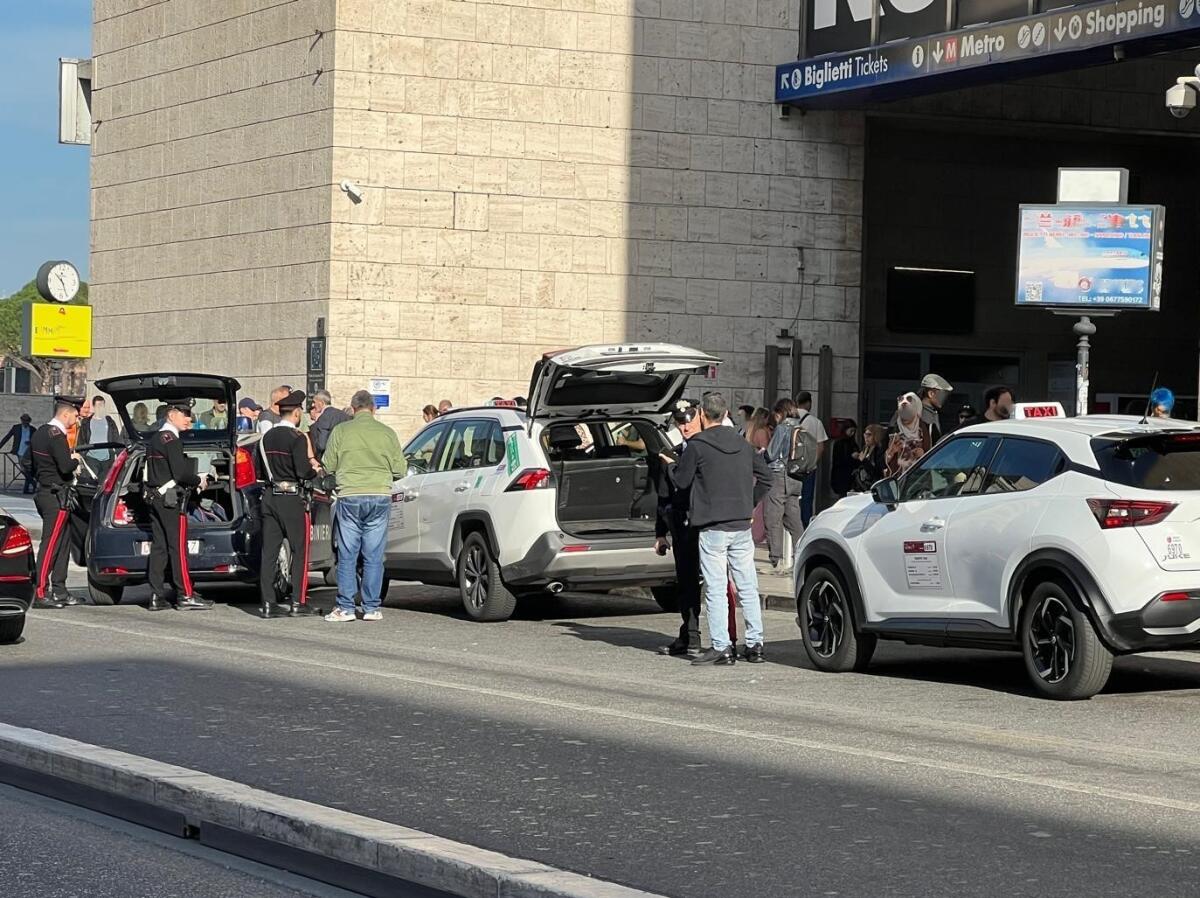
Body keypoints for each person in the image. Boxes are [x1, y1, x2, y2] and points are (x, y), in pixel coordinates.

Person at [665, 392, 772, 665]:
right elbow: (767, 477)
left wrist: (670, 465)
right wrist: (749, 503)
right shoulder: (742, 444)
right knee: (747, 585)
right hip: (741, 524)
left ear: (702, 414)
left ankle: (722, 646)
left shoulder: (698, 446)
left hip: (713, 526)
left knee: (715, 587)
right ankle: (755, 645)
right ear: (725, 414)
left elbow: (682, 481)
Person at [321, 390, 407, 622]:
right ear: (373, 408)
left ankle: (346, 607)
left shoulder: (341, 431)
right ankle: (371, 607)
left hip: (350, 495)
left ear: (352, 408)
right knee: (374, 555)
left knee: (348, 554)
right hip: (379, 495)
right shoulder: (387, 433)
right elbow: (400, 469)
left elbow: (328, 465)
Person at [144, 399, 213, 611]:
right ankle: (185, 594)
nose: (188, 419)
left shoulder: (155, 438)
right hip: (170, 500)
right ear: (171, 415)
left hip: (155, 497)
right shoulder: (172, 440)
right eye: (184, 414)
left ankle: (156, 595)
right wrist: (199, 480)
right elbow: (180, 473)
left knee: (159, 548)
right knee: (178, 547)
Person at [257, 390, 321, 619]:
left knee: (269, 552)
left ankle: (268, 603)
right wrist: (315, 471)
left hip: (269, 496)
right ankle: (298, 601)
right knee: (300, 550)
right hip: (291, 498)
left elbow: (259, 470)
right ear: (296, 413)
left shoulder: (265, 438)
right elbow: (302, 471)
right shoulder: (297, 438)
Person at [653, 401, 704, 657]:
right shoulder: (671, 454)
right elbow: (664, 497)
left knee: (716, 586)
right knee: (686, 583)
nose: (685, 427)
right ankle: (691, 634)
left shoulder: (707, 450)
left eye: (689, 421)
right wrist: (660, 533)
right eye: (680, 422)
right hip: (683, 527)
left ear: (699, 417)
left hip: (707, 524)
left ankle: (728, 640)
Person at [29, 397, 85, 609]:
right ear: (65, 413)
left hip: (46, 492)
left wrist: (42, 477)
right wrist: (75, 459)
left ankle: (60, 590)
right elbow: (65, 466)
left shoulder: (40, 432)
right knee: (51, 544)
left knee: (63, 544)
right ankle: (40, 591)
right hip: (56, 495)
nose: (76, 420)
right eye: (75, 416)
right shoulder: (57, 435)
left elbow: (27, 462)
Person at [763, 398, 803, 571]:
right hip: (796, 477)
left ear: (780, 413)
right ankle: (801, 552)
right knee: (794, 520)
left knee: (772, 517)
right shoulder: (801, 427)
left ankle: (775, 559)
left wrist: (761, 453)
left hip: (779, 476)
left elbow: (771, 454)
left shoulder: (783, 427)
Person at [886, 393, 932, 478]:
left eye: (909, 400)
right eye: (901, 400)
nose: (904, 403)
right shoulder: (893, 430)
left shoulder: (928, 430)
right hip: (897, 480)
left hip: (919, 480)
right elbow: (882, 462)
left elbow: (937, 458)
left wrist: (923, 455)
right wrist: (891, 452)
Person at [308, 390, 350, 460]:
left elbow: (321, 445)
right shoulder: (344, 415)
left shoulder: (324, 417)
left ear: (321, 403)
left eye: (314, 402)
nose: (312, 405)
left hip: (328, 459)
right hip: (345, 457)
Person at [0, 414, 37, 494]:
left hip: (29, 453)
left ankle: (26, 489)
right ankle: (33, 483)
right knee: (24, 470)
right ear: (21, 420)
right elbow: (7, 437)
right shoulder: (16, 428)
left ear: (29, 421)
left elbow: (37, 440)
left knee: (27, 471)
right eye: (24, 421)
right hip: (19, 452)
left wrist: (30, 443)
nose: (25, 422)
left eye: (27, 421)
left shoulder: (32, 429)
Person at [917, 374, 953, 443]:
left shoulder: (933, 412)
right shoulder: (918, 413)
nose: (945, 398)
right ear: (931, 394)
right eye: (943, 394)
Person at [852, 424, 888, 492]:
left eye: (869, 435)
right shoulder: (865, 448)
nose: (866, 437)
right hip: (862, 486)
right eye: (865, 434)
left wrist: (864, 460)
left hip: (873, 487)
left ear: (876, 436)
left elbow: (876, 473)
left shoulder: (879, 450)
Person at [830, 420, 859, 499]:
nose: (852, 433)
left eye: (854, 431)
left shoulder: (853, 443)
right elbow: (838, 460)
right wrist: (851, 457)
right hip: (841, 475)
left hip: (851, 475)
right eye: (851, 431)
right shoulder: (839, 443)